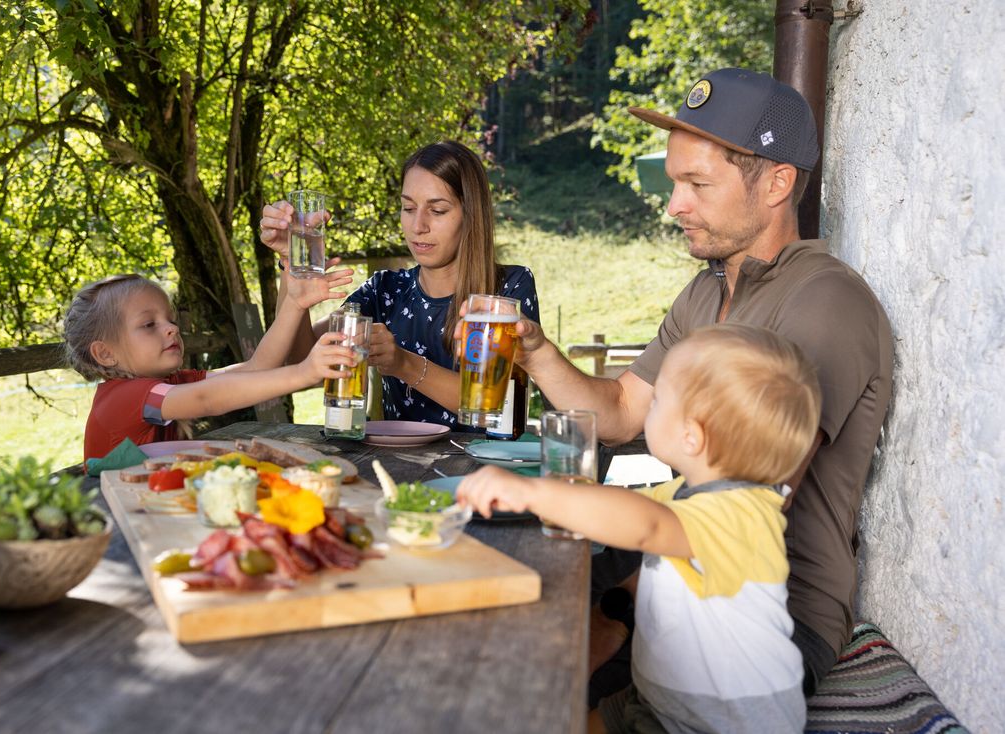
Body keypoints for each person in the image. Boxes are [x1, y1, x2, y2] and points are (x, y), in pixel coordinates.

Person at [507, 68, 894, 696]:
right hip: (671, 564)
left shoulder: (826, 302)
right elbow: (622, 412)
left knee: (529, 683)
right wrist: (536, 354)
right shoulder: (705, 292)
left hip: (763, 615)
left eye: (697, 184)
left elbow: (748, 498)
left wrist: (615, 612)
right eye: (674, 181)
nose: (673, 205)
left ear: (777, 183)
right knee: (501, 583)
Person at [460, 324, 822, 733]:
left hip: (723, 720)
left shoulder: (739, 515)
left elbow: (644, 525)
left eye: (659, 399)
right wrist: (562, 501)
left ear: (691, 436)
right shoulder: (691, 492)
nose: (649, 407)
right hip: (662, 698)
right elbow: (617, 509)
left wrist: (534, 493)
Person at [259, 140, 540, 427]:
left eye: (437, 211)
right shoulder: (385, 290)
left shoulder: (509, 287)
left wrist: (404, 364)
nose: (418, 226)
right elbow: (301, 360)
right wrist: (292, 264)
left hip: (484, 457)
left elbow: (499, 405)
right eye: (408, 208)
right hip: (394, 456)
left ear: (471, 215)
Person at [64, 271, 355, 462]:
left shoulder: (169, 384)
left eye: (170, 320)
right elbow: (207, 398)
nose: (171, 329)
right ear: (105, 353)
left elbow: (258, 367)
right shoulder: (125, 396)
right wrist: (304, 372)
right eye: (149, 324)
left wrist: (294, 304)